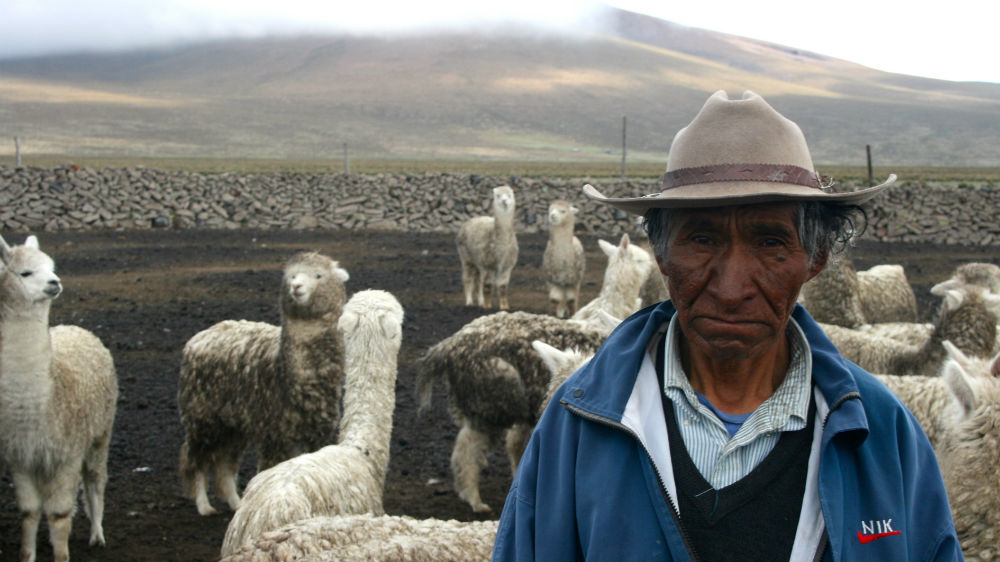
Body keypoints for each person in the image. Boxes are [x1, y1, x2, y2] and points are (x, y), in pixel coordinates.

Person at [491, 90, 962, 561]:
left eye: (770, 242)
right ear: (661, 254)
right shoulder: (578, 427)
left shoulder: (883, 434)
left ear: (814, 258)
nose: (732, 288)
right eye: (701, 238)